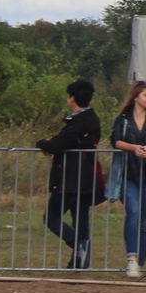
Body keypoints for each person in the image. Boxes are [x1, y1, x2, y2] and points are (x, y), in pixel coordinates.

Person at [36, 79, 102, 270]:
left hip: (70, 178)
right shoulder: (91, 119)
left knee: (51, 217)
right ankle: (78, 262)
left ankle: (79, 246)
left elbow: (59, 143)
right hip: (85, 177)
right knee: (81, 219)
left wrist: (42, 144)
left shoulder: (78, 122)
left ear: (72, 98)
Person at [111, 81, 146, 278]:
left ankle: (140, 265)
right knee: (133, 212)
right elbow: (115, 140)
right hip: (129, 174)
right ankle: (132, 259)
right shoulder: (122, 119)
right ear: (136, 97)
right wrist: (133, 148)